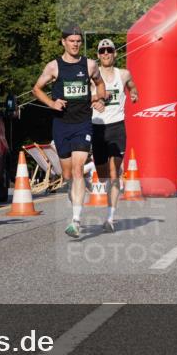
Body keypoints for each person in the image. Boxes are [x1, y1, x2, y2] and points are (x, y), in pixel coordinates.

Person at [32, 27, 106, 238]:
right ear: (63, 42)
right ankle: (77, 194)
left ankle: (76, 220)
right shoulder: (54, 66)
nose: (75, 44)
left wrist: (100, 99)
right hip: (61, 125)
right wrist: (51, 103)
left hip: (83, 123)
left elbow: (101, 84)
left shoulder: (90, 65)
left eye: (78, 41)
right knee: (67, 175)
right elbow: (36, 89)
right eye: (71, 41)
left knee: (77, 168)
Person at [91, 39, 139, 232]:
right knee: (102, 175)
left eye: (109, 50)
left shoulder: (124, 74)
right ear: (98, 55)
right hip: (97, 127)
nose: (106, 54)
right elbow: (82, 97)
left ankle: (110, 218)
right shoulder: (92, 75)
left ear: (115, 53)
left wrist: (134, 94)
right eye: (102, 51)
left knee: (114, 173)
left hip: (118, 126)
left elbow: (133, 86)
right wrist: (95, 100)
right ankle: (108, 188)